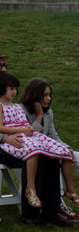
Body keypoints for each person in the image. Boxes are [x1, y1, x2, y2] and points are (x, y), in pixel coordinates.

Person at [0, 45, 64, 225]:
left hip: (10, 141)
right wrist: (3, 138)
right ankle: (31, 215)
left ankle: (51, 212)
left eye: (4, 65)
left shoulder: (2, 90)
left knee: (51, 156)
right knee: (34, 155)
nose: (4, 69)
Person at [0, 71, 78, 209]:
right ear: (2, 89)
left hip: (27, 135)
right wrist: (23, 130)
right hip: (14, 138)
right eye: (11, 88)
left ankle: (71, 191)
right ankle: (30, 189)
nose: (15, 91)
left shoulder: (17, 106)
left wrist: (29, 129)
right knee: (34, 150)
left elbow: (27, 126)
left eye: (15, 88)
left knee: (63, 151)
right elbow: (0, 127)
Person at [22, 78, 79, 221]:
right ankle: (56, 205)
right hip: (31, 152)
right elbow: (30, 136)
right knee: (55, 157)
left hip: (49, 149)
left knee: (69, 154)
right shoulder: (22, 110)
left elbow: (53, 136)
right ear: (35, 95)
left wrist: (67, 148)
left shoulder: (49, 113)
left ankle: (70, 193)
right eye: (45, 95)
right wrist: (39, 116)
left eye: (49, 95)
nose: (49, 98)